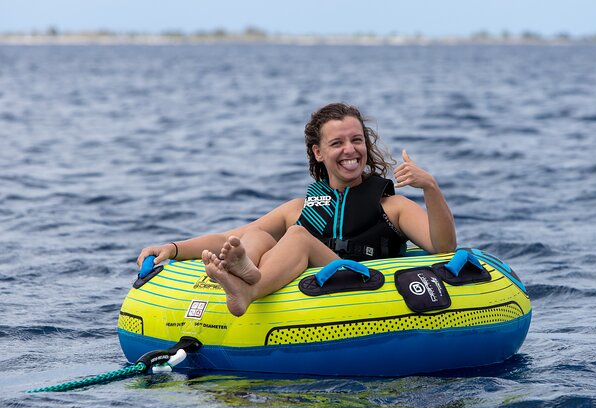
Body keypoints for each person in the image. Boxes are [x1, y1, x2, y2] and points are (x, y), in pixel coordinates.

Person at [136, 103, 456, 317]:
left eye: (357, 140)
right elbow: (227, 236)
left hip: (364, 287)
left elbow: (443, 248)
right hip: (311, 301)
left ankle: (250, 288)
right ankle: (245, 273)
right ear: (318, 152)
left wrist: (430, 187)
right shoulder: (301, 208)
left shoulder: (393, 206)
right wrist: (173, 248)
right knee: (257, 234)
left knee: (297, 236)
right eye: (337, 143)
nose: (350, 150)